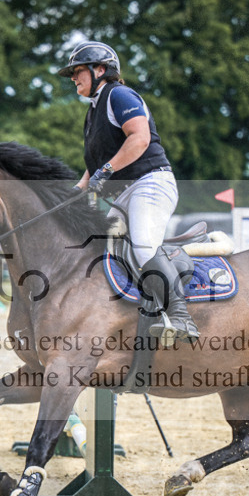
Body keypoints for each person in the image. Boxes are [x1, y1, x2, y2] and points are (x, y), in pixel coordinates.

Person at [58, 40, 199, 341]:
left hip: (151, 183)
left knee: (143, 244)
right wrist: (75, 191)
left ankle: (180, 316)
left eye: (78, 71)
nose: (73, 78)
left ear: (100, 70)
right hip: (124, 193)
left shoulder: (118, 95)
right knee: (98, 246)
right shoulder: (94, 111)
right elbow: (97, 163)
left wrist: (105, 172)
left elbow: (139, 138)